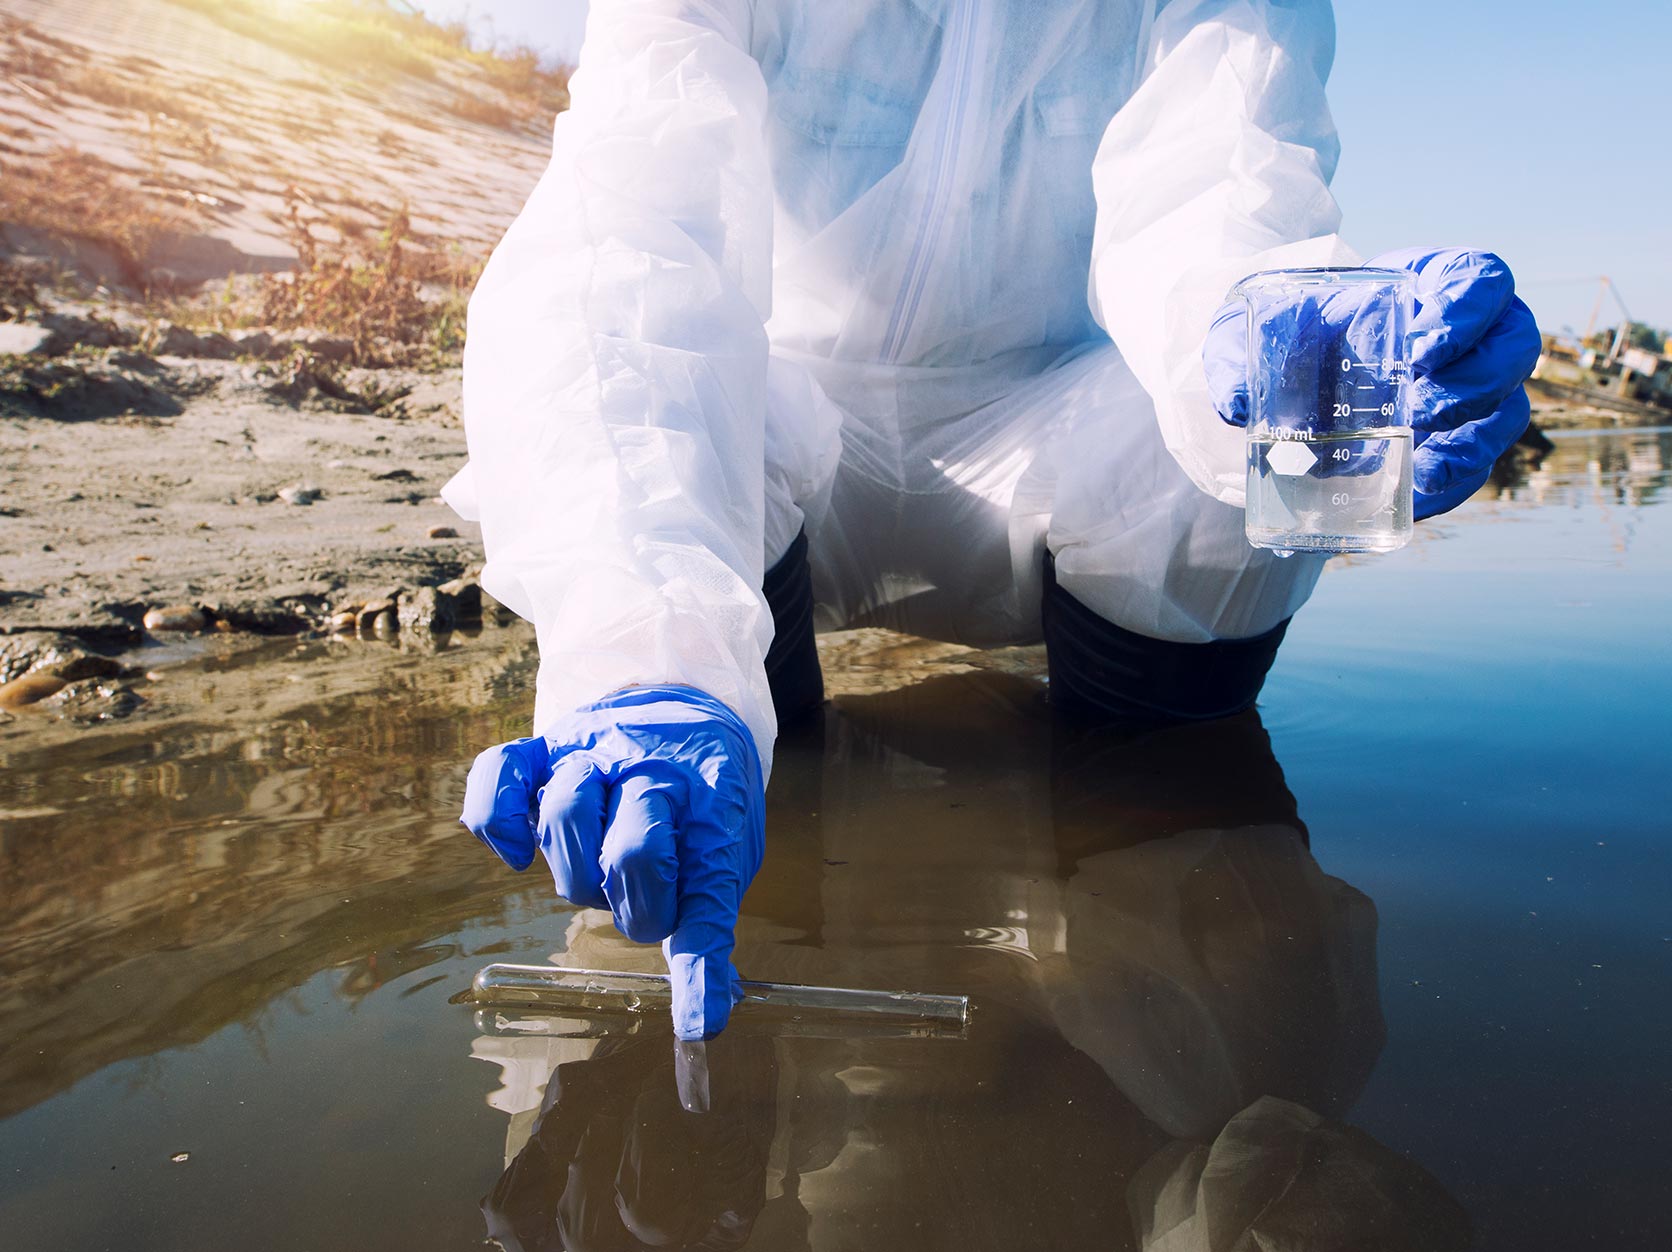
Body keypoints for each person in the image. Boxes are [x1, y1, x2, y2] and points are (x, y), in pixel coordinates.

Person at [448, 0, 1539, 1040]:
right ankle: (708, 733)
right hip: (786, 415)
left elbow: (1217, 186)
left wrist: (1281, 344)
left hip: (1058, 419)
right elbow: (635, 226)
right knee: (643, 405)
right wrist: (640, 649)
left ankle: (1149, 898)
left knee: (1227, 489)